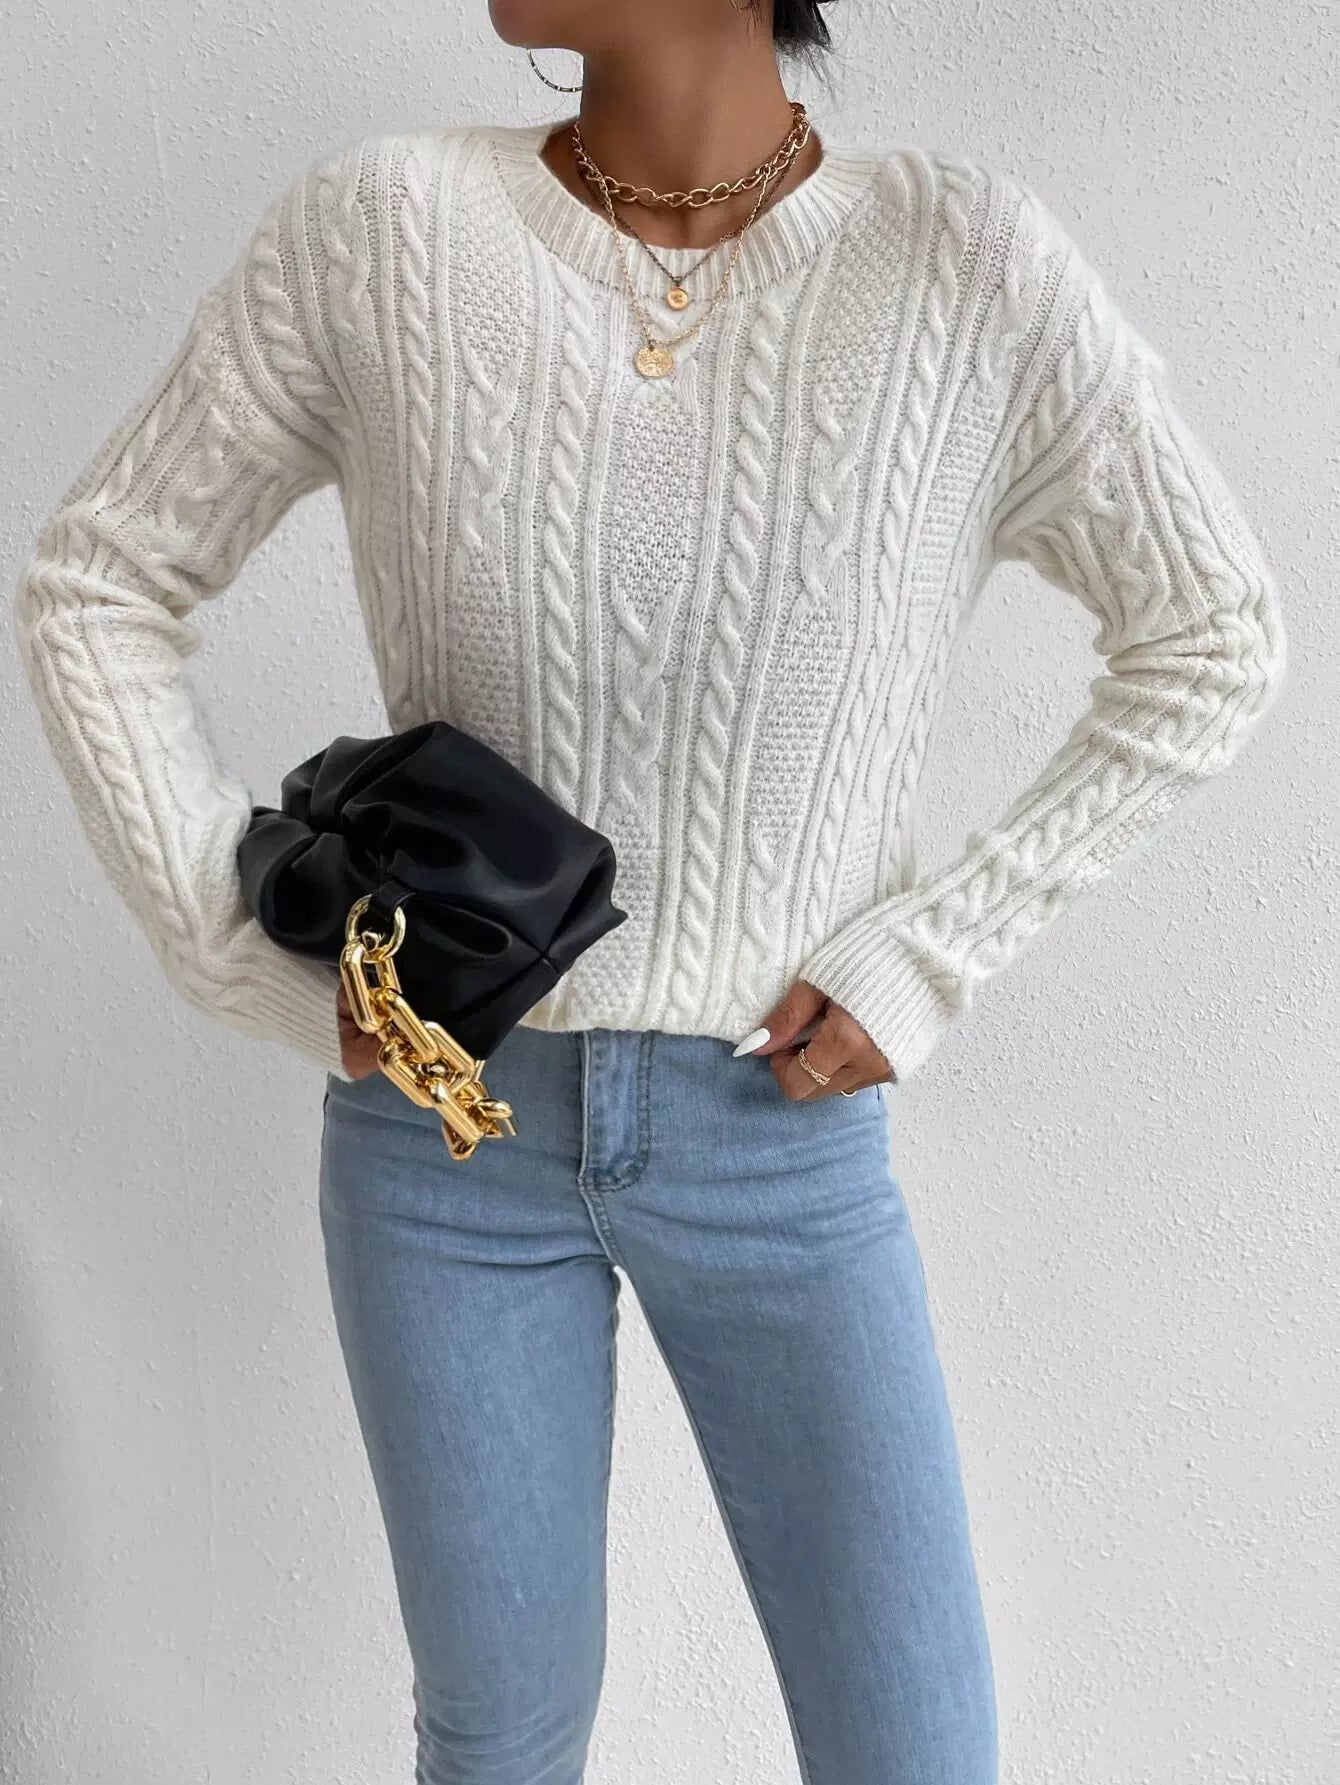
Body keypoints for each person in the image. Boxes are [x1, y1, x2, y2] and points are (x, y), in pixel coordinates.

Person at [12, 1, 1286, 1780]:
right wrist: (255, 960)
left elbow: (1213, 634)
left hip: (783, 1137)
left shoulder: (966, 265)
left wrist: (935, 948)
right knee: (500, 1742)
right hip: (441, 1146)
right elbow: (98, 581)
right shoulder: (381, 232)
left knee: (916, 1748)